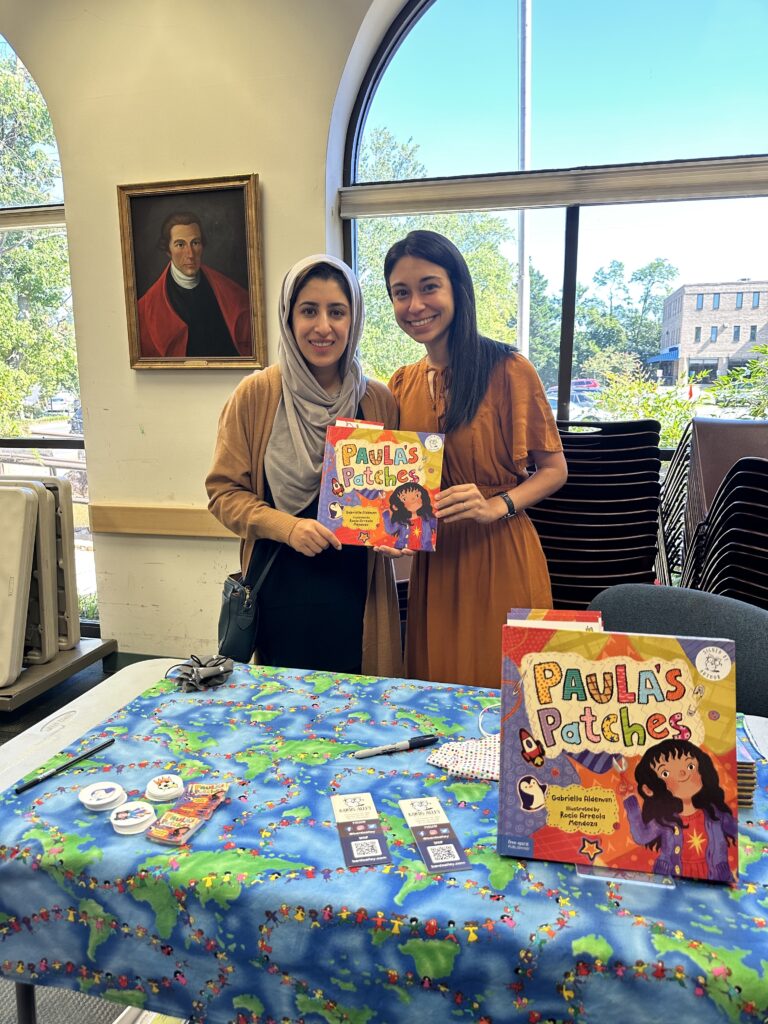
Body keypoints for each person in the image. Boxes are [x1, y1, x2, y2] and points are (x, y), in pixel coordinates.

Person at [383, 229, 568, 688]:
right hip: (436, 563)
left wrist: (496, 505)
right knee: (437, 693)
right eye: (400, 293)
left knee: (505, 699)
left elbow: (554, 469)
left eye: (429, 286)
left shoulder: (507, 369)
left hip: (499, 554)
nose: (415, 305)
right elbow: (399, 486)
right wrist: (391, 531)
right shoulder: (401, 384)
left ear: (456, 290)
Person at [206, 254, 401, 676]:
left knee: (360, 711)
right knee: (281, 719)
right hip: (279, 592)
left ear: (355, 319)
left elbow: (392, 495)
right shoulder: (256, 395)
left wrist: (396, 530)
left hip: (358, 594)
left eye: (337, 312)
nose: (323, 327)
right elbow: (223, 495)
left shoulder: (378, 400)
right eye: (308, 310)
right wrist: (286, 526)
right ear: (289, 317)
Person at [138, 211, 252, 358]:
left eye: (195, 243)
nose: (190, 254)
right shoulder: (144, 309)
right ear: (168, 250)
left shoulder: (231, 293)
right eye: (180, 244)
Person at [623, 738, 737, 881]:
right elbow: (641, 836)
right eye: (665, 773)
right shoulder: (664, 820)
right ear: (649, 789)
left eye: (690, 766)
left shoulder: (715, 814)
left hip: (715, 876)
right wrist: (631, 805)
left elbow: (737, 831)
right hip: (669, 878)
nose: (683, 773)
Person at [383, 482, 437, 551]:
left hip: (425, 550)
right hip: (401, 548)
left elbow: (437, 525)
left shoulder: (428, 518)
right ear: (396, 506)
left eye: (417, 495)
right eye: (404, 499)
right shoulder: (401, 521)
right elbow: (390, 530)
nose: (413, 499)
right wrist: (386, 515)